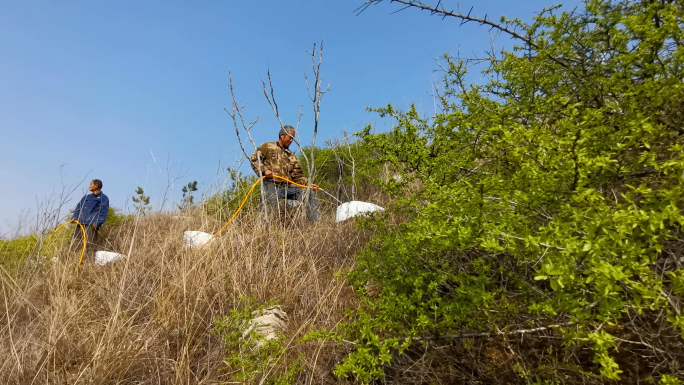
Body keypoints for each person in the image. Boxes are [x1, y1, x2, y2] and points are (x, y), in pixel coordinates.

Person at [250, 126, 320, 222]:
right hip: (271, 184)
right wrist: (264, 170)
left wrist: (308, 184)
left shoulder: (291, 156)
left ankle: (315, 224)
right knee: (268, 212)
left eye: (293, 138)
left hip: (288, 186)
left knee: (309, 193)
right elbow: (254, 159)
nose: (291, 140)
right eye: (290, 137)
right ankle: (262, 232)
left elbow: (298, 176)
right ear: (282, 135)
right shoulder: (267, 146)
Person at [71, 179, 109, 254]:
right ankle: (72, 261)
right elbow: (78, 207)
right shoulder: (86, 197)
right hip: (80, 223)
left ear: (96, 186)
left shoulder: (103, 198)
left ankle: (89, 262)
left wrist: (97, 223)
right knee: (74, 243)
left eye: (91, 184)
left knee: (90, 246)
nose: (89, 186)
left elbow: (103, 212)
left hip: (91, 225)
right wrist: (75, 217)